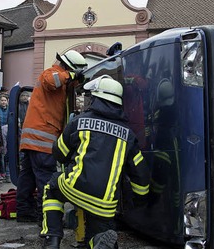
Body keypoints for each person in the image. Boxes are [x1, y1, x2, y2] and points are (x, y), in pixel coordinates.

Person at [40, 75, 150, 249]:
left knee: (51, 188)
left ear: (96, 98)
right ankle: (99, 241)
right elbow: (140, 174)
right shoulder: (128, 134)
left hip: (74, 188)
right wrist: (141, 198)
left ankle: (52, 239)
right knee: (100, 229)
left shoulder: (79, 121)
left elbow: (59, 153)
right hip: (105, 203)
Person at [16, 50, 87, 224]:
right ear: (67, 67)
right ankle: (46, 217)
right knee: (45, 178)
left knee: (28, 177)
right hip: (42, 138)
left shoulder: (62, 81)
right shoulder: (51, 73)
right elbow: (53, 80)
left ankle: (24, 210)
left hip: (32, 137)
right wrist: (71, 74)